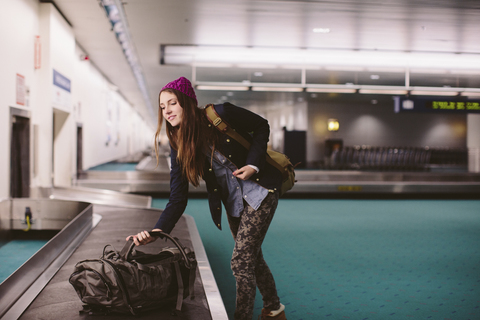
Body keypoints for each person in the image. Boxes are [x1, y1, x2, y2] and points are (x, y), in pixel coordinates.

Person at [127, 77, 287, 320]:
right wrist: (156, 231)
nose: (167, 111)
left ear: (187, 102)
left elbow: (261, 125)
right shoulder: (178, 143)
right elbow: (177, 198)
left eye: (172, 103)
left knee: (241, 260)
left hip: (260, 190)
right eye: (162, 107)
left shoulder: (219, 114)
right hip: (233, 200)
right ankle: (274, 309)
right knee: (252, 257)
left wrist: (253, 163)